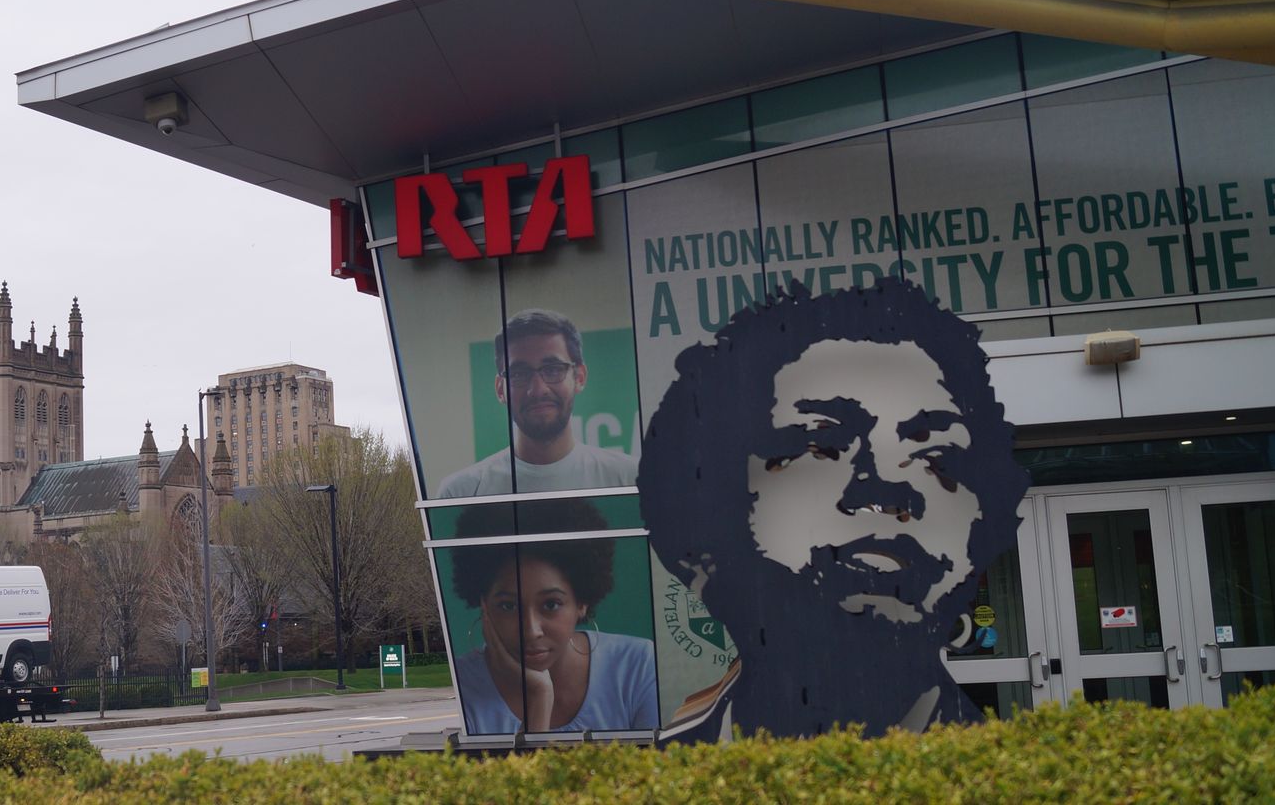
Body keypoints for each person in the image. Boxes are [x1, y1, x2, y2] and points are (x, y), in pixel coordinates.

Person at [638, 278, 1029, 742]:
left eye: (936, 457)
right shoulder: (671, 770)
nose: (889, 485)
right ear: (704, 536)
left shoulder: (1013, 774)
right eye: (820, 445)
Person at [447, 499, 659, 734]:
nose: (531, 631)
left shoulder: (638, 666)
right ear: (484, 605)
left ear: (582, 602)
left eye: (550, 604)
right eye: (508, 606)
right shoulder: (465, 683)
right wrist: (539, 699)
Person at [436, 309, 636, 497]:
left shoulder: (631, 479)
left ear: (580, 377)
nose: (538, 389)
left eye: (553, 370)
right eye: (519, 374)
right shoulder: (461, 493)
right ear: (500, 389)